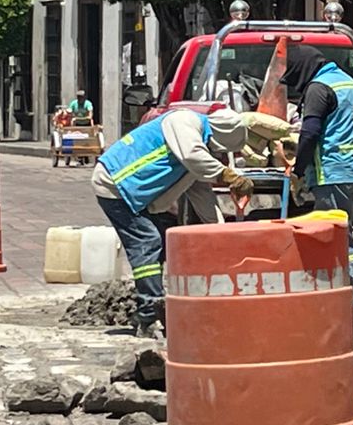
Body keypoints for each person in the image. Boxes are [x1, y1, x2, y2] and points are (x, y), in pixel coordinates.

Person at [91, 107, 254, 337]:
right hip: (114, 183)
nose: (216, 155)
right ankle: (149, 314)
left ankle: (150, 307)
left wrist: (222, 231)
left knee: (164, 240)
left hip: (135, 192)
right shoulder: (184, 121)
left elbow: (202, 194)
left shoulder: (195, 149)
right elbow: (193, 156)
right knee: (148, 242)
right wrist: (228, 175)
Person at [281, 46, 353, 304]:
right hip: (351, 170)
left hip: (331, 172)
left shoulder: (318, 88)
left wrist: (298, 170)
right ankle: (343, 291)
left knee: (336, 238)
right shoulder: (347, 81)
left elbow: (310, 133)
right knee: (341, 232)